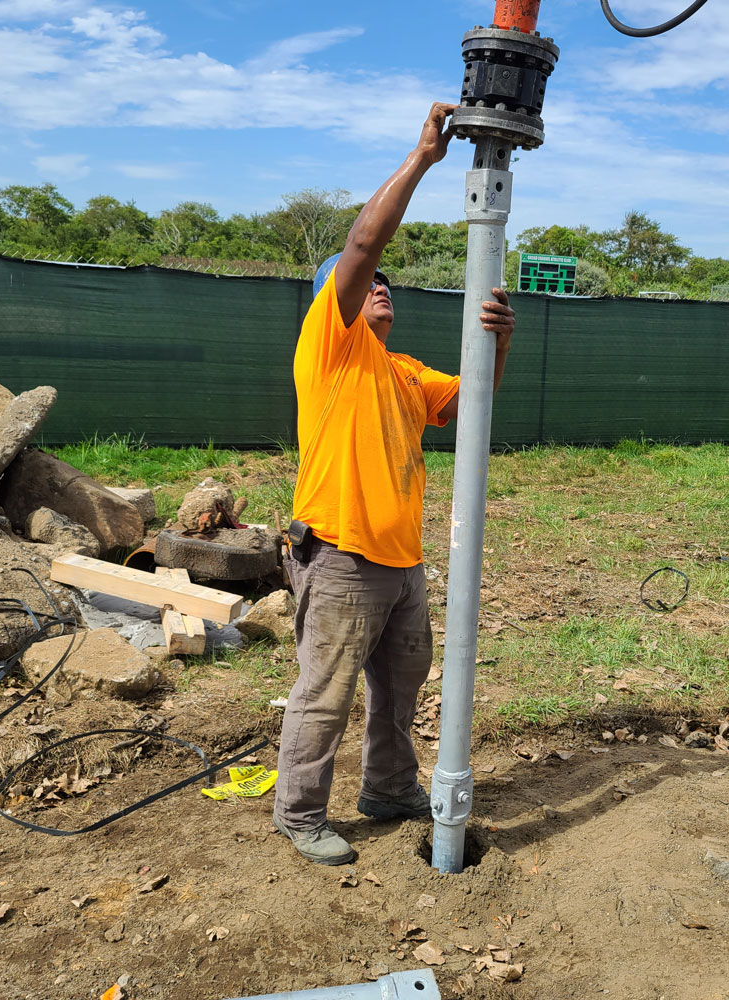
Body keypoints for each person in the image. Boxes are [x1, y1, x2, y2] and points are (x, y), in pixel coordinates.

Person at [272, 102, 516, 865]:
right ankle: (300, 812)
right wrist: (422, 161)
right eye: (366, 281)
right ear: (336, 297)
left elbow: (474, 397)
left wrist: (497, 343)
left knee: (399, 690)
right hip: (341, 556)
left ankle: (386, 788)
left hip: (401, 564)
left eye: (385, 284)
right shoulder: (331, 346)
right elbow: (362, 240)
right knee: (326, 694)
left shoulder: (403, 374)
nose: (380, 285)